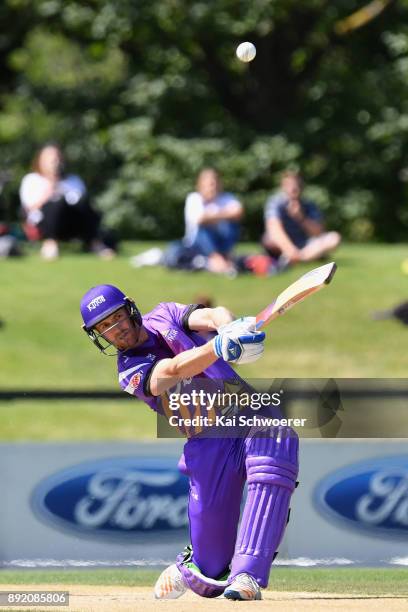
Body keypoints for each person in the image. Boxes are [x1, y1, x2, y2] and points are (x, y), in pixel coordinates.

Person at [80, 285, 299, 601]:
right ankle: (192, 566)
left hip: (249, 412)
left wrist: (230, 327)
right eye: (105, 326)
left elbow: (211, 315)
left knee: (276, 451)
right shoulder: (128, 370)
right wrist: (219, 347)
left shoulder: (164, 314)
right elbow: (171, 370)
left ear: (130, 310)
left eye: (117, 318)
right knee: (210, 567)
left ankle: (248, 574)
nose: (116, 330)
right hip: (207, 442)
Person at [19, 144, 114, 260]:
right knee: (57, 203)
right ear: (40, 161)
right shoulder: (32, 180)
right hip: (43, 223)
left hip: (72, 223)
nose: (55, 162)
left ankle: (95, 243)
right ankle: (50, 243)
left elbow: (83, 205)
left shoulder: (73, 180)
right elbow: (30, 208)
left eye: (57, 158)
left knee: (82, 202)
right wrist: (51, 189)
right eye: (50, 159)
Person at [263, 171, 341, 267]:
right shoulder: (275, 202)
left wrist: (301, 217)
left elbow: (319, 232)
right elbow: (274, 229)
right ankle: (304, 257)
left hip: (304, 244)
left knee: (334, 238)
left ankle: (297, 258)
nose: (293, 188)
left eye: (297, 185)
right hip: (281, 245)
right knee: (269, 239)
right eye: (289, 185)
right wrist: (289, 249)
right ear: (283, 186)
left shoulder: (309, 205)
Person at [183, 168, 243, 275]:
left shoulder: (226, 197)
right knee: (205, 227)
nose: (213, 187)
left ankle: (225, 256)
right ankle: (217, 259)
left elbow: (238, 213)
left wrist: (214, 215)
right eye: (210, 184)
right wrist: (224, 214)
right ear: (200, 185)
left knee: (232, 225)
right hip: (197, 243)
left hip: (221, 239)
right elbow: (200, 220)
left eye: (215, 183)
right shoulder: (194, 198)